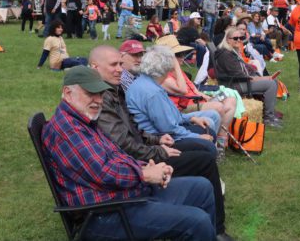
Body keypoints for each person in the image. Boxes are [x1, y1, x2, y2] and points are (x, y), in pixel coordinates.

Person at [42, 65, 217, 240]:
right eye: (90, 93)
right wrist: (145, 174)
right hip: (105, 213)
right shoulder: (68, 129)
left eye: (101, 94)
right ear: (67, 92)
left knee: (201, 187)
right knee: (197, 221)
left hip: (125, 196)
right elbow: (105, 173)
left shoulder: (83, 120)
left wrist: (149, 167)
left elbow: (116, 155)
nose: (98, 100)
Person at [89, 46, 232, 240]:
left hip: (143, 152)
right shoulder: (102, 97)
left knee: (204, 151)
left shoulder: (115, 90)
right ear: (94, 67)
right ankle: (216, 228)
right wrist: (158, 151)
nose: (120, 70)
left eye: (120, 64)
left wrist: (157, 140)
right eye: (114, 65)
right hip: (139, 162)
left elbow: (134, 131)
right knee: (204, 156)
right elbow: (125, 144)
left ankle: (211, 221)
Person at [125, 45, 222, 156]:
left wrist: (191, 118)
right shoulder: (152, 92)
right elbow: (168, 128)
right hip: (159, 140)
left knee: (208, 127)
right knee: (207, 144)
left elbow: (171, 116)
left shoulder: (146, 82)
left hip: (159, 135)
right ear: (166, 68)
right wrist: (197, 137)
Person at [159, 36, 237, 149]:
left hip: (196, 100)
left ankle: (221, 138)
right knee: (219, 107)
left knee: (230, 100)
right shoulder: (163, 76)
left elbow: (194, 90)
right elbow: (183, 90)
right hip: (184, 107)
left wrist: (208, 97)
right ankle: (216, 144)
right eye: (177, 55)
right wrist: (176, 66)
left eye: (182, 54)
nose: (182, 58)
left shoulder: (178, 71)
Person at [215, 28, 281, 128]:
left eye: (241, 38)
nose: (239, 40)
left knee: (273, 80)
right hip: (234, 85)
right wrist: (258, 78)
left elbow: (243, 69)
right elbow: (239, 75)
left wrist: (257, 75)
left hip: (239, 81)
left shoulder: (231, 51)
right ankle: (268, 118)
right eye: (235, 38)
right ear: (228, 40)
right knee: (271, 84)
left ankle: (269, 113)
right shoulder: (226, 54)